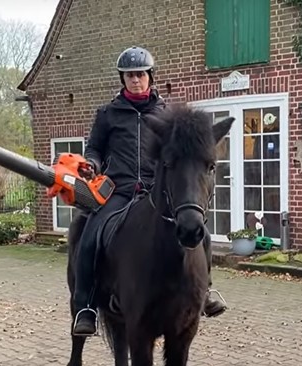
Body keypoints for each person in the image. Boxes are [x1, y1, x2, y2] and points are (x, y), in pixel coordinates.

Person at [70, 46, 228, 336]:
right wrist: (91, 163)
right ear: (123, 79)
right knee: (91, 235)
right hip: (118, 189)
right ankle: (86, 306)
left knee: (200, 233)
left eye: (140, 74)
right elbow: (94, 147)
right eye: (130, 75)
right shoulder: (108, 114)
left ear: (150, 77)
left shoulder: (165, 113)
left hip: (156, 191)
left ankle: (204, 291)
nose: (135, 80)